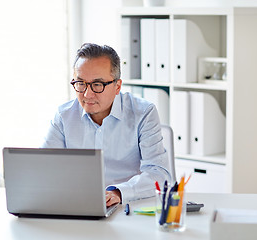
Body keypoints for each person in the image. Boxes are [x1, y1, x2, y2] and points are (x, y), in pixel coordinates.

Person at [41, 43, 170, 207]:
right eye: (80, 83)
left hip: (128, 207)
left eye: (97, 84)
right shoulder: (64, 116)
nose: (87, 94)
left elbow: (159, 173)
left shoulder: (143, 113)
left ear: (117, 86)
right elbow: (45, 168)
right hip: (78, 206)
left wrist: (119, 193)